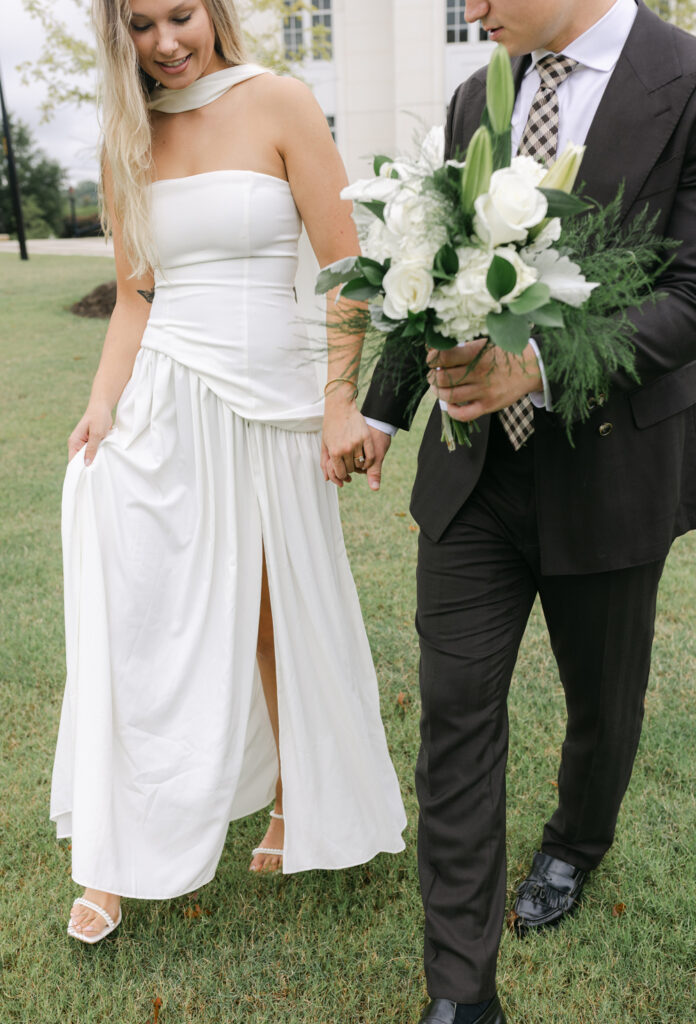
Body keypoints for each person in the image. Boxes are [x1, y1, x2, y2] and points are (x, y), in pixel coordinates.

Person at [357, 1, 696, 1021]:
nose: (473, 8)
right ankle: (461, 997)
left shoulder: (686, 80)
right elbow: (433, 274)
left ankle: (575, 842)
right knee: (456, 717)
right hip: (474, 481)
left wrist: (538, 365)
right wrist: (380, 410)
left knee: (602, 708)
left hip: (611, 472)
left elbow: (690, 291)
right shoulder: (477, 95)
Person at [51, 0, 406, 945]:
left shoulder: (282, 101)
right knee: (138, 618)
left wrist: (340, 402)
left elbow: (346, 269)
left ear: (214, 12)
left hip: (274, 403)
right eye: (141, 25)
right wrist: (100, 405)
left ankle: (297, 790)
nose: (166, 42)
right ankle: (117, 858)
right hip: (165, 402)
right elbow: (136, 298)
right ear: (118, 33)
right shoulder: (128, 137)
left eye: (181, 15)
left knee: (268, 619)